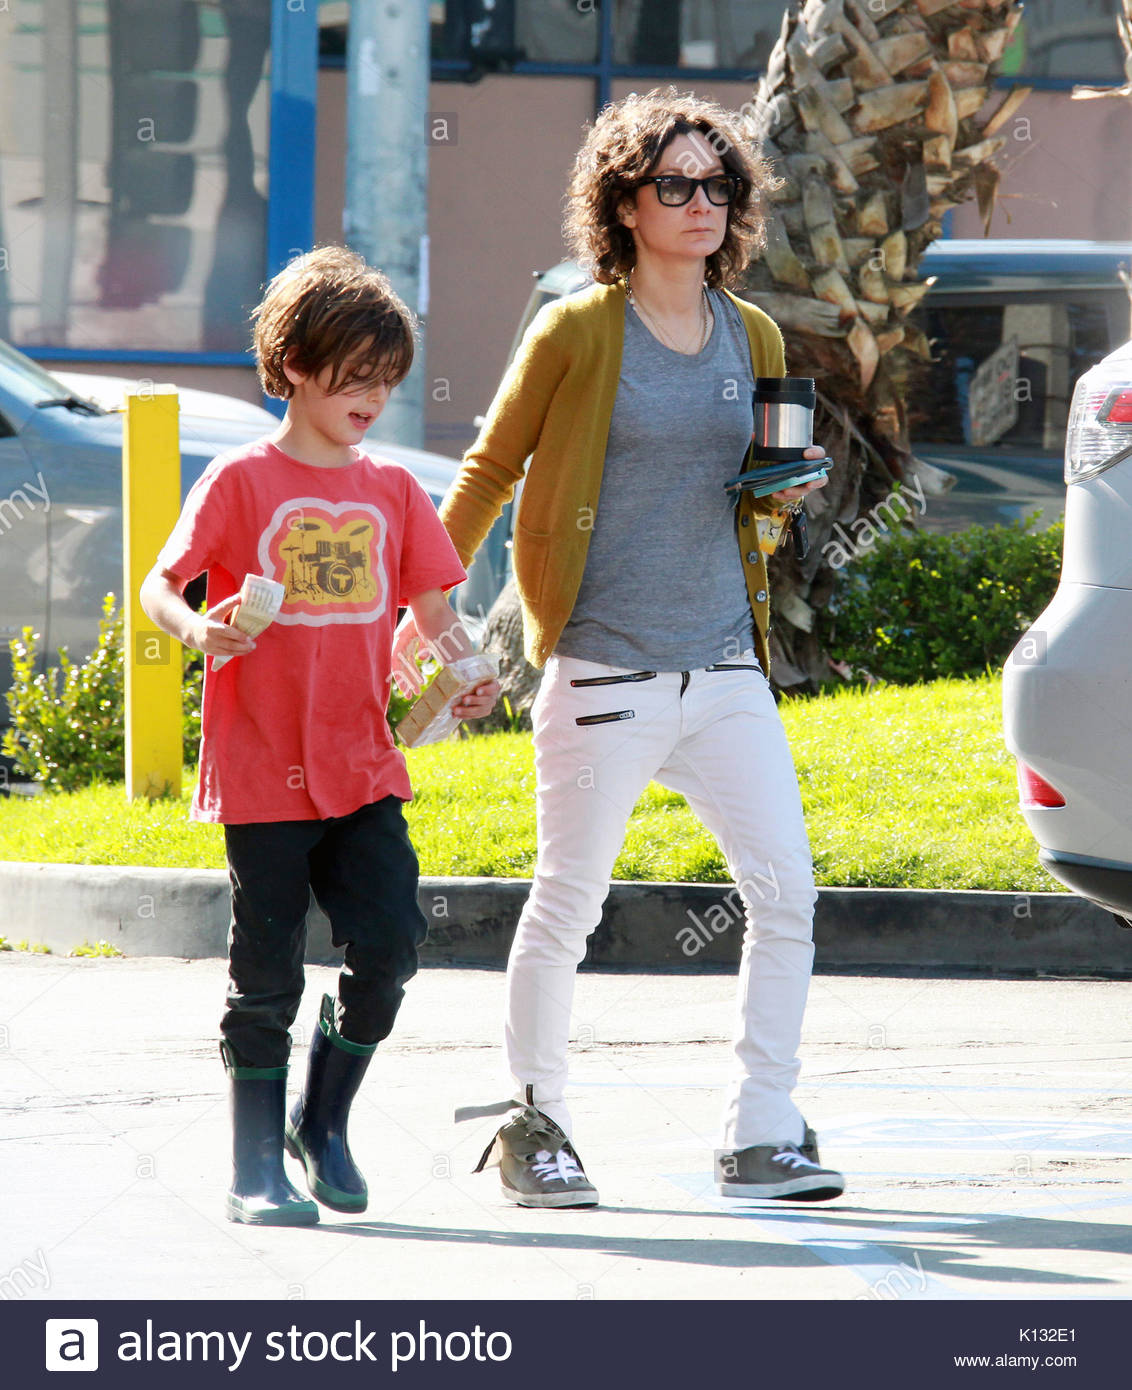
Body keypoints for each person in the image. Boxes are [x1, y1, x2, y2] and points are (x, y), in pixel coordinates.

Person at [396, 88, 845, 1209]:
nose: (701, 204)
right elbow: (489, 469)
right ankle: (533, 1123)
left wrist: (783, 493)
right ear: (624, 205)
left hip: (722, 664)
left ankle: (762, 1128)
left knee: (785, 888)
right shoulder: (579, 330)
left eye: (718, 184)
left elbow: (762, 497)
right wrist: (425, 597)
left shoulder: (755, 334)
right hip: (605, 667)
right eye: (674, 185)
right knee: (568, 901)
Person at [141, 246, 499, 1226]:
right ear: (293, 363)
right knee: (265, 971)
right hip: (261, 771)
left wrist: (466, 670)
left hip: (361, 766)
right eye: (354, 375)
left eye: (387, 378)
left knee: (388, 947)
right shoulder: (239, 479)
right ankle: (253, 1163)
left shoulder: (391, 491)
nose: (373, 397)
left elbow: (432, 613)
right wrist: (195, 628)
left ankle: (321, 1121)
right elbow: (161, 584)